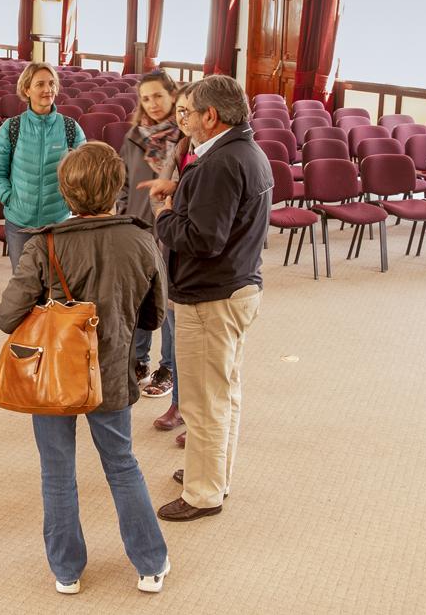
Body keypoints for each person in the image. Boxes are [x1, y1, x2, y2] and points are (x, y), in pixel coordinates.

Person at [0, 142, 171, 595]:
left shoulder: (45, 242)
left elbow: (5, 317)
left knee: (57, 471)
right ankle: (151, 564)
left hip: (54, 373)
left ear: (65, 192)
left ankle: (66, 570)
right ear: (116, 188)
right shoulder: (141, 237)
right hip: (112, 371)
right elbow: (154, 316)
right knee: (122, 464)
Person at [153, 75, 272, 522]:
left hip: (211, 297)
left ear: (211, 115)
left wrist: (165, 216)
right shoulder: (246, 151)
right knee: (224, 392)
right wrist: (182, 193)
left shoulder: (221, 163)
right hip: (236, 287)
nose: (185, 119)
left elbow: (202, 239)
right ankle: (214, 472)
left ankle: (204, 494)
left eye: (190, 112)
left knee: (203, 402)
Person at [117, 70, 182, 395]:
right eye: (146, 98)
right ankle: (138, 360)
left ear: (172, 95)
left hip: (173, 231)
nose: (152, 103)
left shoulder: (186, 138)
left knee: (169, 304)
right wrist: (124, 217)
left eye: (158, 95)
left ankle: (167, 367)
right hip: (138, 231)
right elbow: (124, 185)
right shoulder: (134, 137)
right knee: (140, 301)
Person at [0, 61, 86, 271]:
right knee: (23, 287)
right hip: (20, 224)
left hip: (57, 223)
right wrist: (11, 198)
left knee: (57, 289)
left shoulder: (70, 128)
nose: (47, 89)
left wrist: (70, 204)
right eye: (40, 84)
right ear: (26, 89)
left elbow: (84, 174)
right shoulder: (11, 127)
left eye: (51, 83)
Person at [139, 83, 197, 439]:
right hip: (169, 243)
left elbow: (172, 196)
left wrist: (169, 201)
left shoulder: (212, 154)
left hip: (190, 248)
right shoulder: (183, 147)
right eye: (182, 111)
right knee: (172, 324)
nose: (182, 117)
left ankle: (194, 411)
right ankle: (180, 404)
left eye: (187, 111)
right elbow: (164, 190)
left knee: (195, 347)